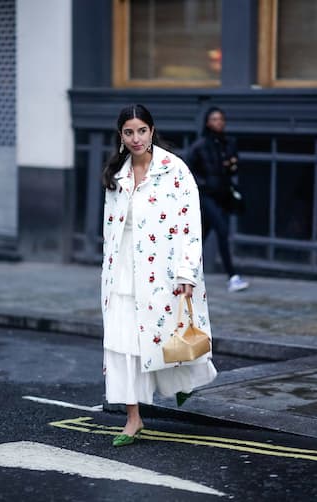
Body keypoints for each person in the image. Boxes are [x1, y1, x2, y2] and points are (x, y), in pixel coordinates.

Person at [101, 104, 217, 447]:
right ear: (120, 136)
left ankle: (184, 382)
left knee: (168, 336)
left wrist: (186, 272)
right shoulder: (115, 175)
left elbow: (190, 225)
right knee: (123, 346)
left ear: (152, 131)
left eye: (141, 130)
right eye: (128, 132)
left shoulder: (175, 170)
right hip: (121, 272)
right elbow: (110, 230)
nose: (136, 138)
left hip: (161, 272)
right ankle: (133, 418)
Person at [187, 106, 249, 293]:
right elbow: (188, 169)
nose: (219, 122)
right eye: (214, 119)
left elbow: (234, 167)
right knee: (222, 230)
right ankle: (232, 276)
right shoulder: (199, 146)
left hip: (223, 195)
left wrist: (231, 165)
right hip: (206, 195)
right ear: (207, 122)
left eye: (221, 119)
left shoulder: (229, 143)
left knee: (201, 235)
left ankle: (184, 272)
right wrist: (204, 184)